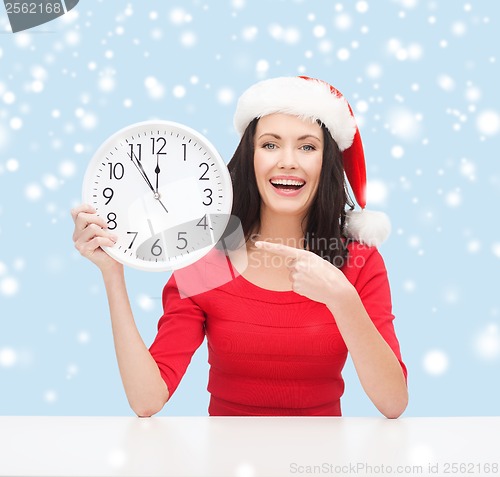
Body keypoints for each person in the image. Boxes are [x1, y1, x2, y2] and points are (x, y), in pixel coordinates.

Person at [71, 76, 408, 418]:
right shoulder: (211, 256)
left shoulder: (359, 260)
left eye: (307, 146)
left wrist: (342, 298)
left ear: (327, 162)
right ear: (250, 156)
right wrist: (113, 272)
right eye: (270, 144)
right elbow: (147, 400)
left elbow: (393, 403)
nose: (288, 161)